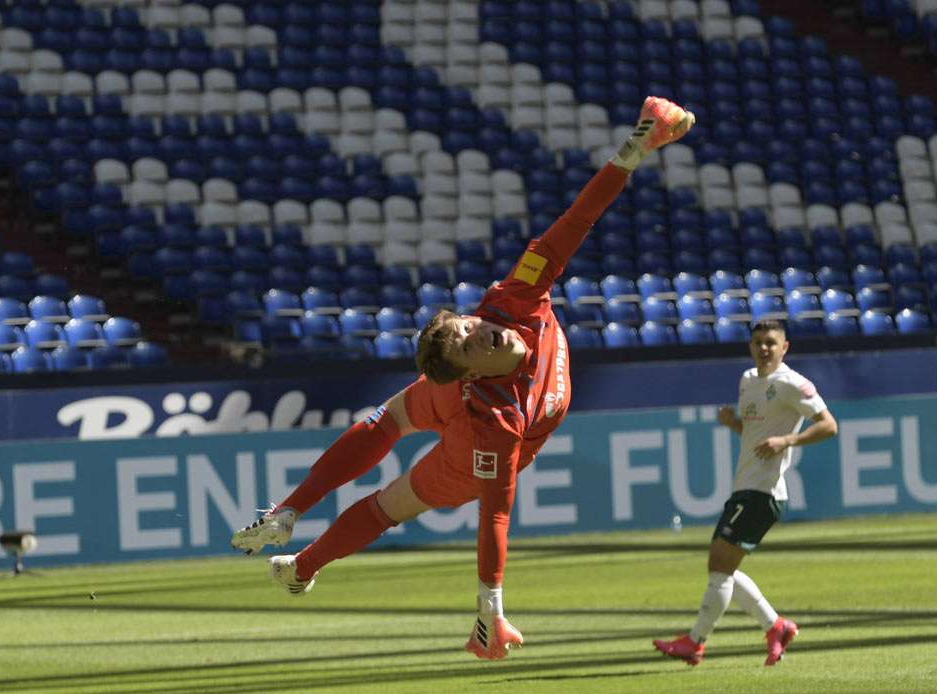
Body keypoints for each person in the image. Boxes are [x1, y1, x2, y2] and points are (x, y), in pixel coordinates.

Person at [232, 96, 696, 660]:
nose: (485, 332)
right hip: (470, 437)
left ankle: (294, 535)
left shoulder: (512, 297)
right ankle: (295, 541)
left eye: (472, 325)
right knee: (389, 503)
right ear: (468, 370)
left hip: (463, 416)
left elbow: (578, 219)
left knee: (388, 423)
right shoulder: (496, 424)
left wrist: (634, 150)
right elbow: (495, 512)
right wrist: (491, 611)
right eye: (471, 343)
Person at [653, 319, 837, 666]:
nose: (763, 348)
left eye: (771, 342)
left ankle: (695, 642)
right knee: (724, 568)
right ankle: (776, 626)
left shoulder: (792, 383)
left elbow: (829, 424)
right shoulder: (748, 380)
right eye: (757, 342)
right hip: (745, 487)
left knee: (719, 566)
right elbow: (755, 438)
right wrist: (734, 424)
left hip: (763, 492)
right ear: (750, 346)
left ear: (785, 348)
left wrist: (787, 440)